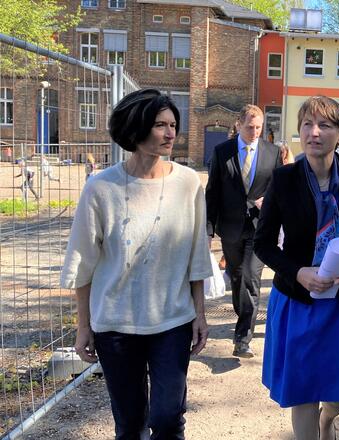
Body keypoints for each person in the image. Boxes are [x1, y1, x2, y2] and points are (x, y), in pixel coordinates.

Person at [60, 89, 213, 439]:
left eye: (173, 125)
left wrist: (200, 314)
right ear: (136, 128)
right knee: (129, 425)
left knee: (168, 418)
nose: (170, 133)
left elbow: (196, 257)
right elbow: (83, 262)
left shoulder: (188, 183)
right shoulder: (100, 188)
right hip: (115, 325)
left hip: (172, 321)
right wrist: (84, 326)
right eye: (160, 125)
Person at [254, 95, 339, 440]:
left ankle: (328, 420)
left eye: (324, 125)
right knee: (303, 391)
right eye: (307, 125)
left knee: (337, 394)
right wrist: (297, 272)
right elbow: (263, 243)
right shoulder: (284, 179)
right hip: (297, 299)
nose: (314, 132)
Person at [206, 104, 283, 358]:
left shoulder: (272, 152)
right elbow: (212, 193)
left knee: (251, 277)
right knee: (238, 278)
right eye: (250, 127)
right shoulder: (222, 152)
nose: (255, 132)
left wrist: (268, 201)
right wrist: (208, 231)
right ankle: (243, 319)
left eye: (259, 127)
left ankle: (242, 339)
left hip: (261, 228)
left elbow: (280, 189)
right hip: (230, 228)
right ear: (239, 125)